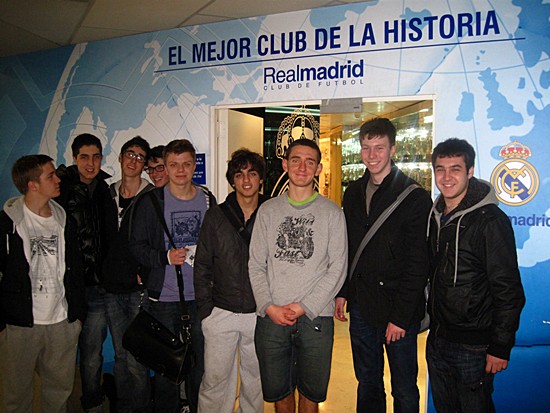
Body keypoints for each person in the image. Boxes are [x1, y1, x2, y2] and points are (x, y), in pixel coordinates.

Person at [335, 118, 432, 413]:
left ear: (392, 149)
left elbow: (419, 263)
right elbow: (349, 249)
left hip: (398, 310)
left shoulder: (414, 196)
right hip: (363, 306)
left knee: (403, 388)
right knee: (367, 382)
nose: (372, 155)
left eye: (379, 147)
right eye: (366, 147)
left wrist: (401, 318)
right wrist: (343, 292)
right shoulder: (352, 192)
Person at [426, 138, 525, 412]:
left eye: (455, 169)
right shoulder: (436, 216)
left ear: (470, 171)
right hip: (438, 339)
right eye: (440, 169)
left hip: (474, 347)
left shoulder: (490, 220)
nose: (446, 177)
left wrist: (500, 347)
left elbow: (509, 290)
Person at [249, 138, 348, 413]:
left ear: (318, 168)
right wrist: (269, 306)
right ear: (284, 165)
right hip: (272, 317)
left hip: (316, 318)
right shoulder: (268, 211)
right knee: (280, 395)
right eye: (296, 160)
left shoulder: (332, 213)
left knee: (311, 396)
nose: (302, 167)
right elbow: (255, 264)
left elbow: (338, 268)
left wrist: (304, 307)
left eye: (310, 162)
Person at [129, 139, 216, 413]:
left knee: (199, 369)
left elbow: (217, 244)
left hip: (202, 299)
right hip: (163, 300)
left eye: (187, 164)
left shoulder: (207, 198)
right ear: (164, 167)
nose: (181, 171)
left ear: (194, 166)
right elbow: (136, 247)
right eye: (174, 165)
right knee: (167, 371)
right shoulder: (150, 202)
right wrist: (164, 258)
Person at [0, 154, 86, 413]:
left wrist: (77, 316)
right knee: (15, 397)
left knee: (59, 394)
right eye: (50, 175)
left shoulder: (63, 220)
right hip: (20, 325)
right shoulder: (7, 223)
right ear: (32, 185)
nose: (58, 179)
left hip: (61, 322)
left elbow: (76, 269)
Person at [195, 148, 268, 413]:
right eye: (239, 174)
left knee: (256, 381)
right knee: (215, 381)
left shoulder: (272, 212)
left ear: (261, 179)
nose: (246, 180)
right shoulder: (216, 215)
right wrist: (206, 311)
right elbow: (202, 264)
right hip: (220, 312)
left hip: (260, 313)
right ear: (232, 180)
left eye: (252, 173)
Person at [55, 133, 115, 412]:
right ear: (75, 158)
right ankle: (84, 402)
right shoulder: (62, 190)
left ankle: (97, 400)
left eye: (96, 157)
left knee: (98, 352)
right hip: (76, 286)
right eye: (84, 157)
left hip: (104, 285)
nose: (91, 164)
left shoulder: (105, 190)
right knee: (80, 354)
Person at [103, 136, 153, 413]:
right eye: (129, 154)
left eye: (140, 157)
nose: (133, 160)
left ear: (144, 164)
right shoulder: (106, 194)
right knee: (121, 356)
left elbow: (157, 241)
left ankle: (142, 408)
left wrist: (143, 274)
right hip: (111, 289)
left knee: (136, 358)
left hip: (137, 291)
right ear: (121, 158)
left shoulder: (150, 197)